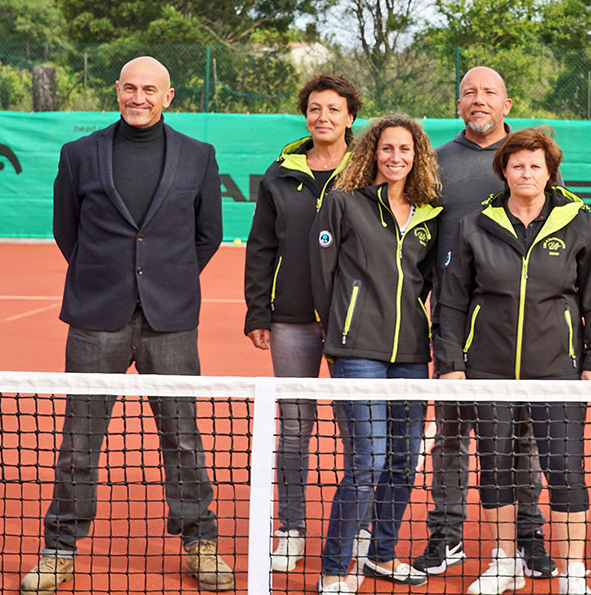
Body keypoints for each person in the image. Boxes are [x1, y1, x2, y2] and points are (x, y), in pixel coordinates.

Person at [21, 56, 231, 594]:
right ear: (117, 90)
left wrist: (162, 282)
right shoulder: (79, 154)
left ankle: (200, 542)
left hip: (171, 320)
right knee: (79, 442)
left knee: (183, 438)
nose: (139, 97)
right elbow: (66, 231)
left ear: (169, 96)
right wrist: (109, 281)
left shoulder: (199, 156)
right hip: (96, 318)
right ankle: (59, 548)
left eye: (150, 90)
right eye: (130, 88)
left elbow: (206, 236)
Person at [433, 127, 591, 595]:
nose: (526, 172)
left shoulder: (578, 221)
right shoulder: (474, 223)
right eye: (517, 165)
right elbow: (451, 300)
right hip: (488, 369)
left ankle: (574, 573)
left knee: (565, 467)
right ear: (504, 171)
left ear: (550, 172)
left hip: (558, 368)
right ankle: (504, 562)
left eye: (536, 165)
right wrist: (452, 361)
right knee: (495, 468)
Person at [415, 65, 558, 580]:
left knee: (522, 438)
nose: (479, 99)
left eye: (489, 92)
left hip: (516, 329)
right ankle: (445, 535)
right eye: (469, 92)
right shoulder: (435, 163)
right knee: (452, 436)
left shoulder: (527, 159)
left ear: (507, 101)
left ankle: (528, 537)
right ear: (458, 105)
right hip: (455, 323)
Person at [309, 114, 442, 594]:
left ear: (417, 156)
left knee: (404, 460)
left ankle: (381, 554)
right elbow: (321, 275)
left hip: (411, 352)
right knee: (367, 461)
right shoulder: (345, 204)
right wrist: (340, 330)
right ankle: (334, 567)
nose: (396, 157)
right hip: (357, 349)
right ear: (372, 152)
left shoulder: (431, 214)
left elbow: (431, 284)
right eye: (387, 148)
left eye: (405, 150)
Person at [242, 73, 361, 574]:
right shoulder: (280, 173)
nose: (324, 117)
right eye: (315, 108)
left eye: (334, 109)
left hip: (355, 324)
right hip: (290, 320)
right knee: (294, 429)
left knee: (360, 433)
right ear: (305, 114)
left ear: (350, 117)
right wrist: (257, 309)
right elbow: (262, 245)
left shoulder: (368, 170)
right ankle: (290, 528)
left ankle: (361, 527)